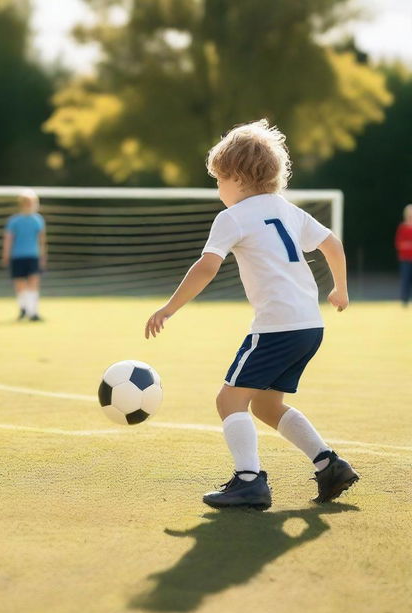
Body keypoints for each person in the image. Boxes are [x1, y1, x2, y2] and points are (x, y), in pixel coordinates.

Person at [144, 119, 358, 510]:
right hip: (309, 326)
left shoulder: (233, 217)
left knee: (229, 401)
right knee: (266, 405)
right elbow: (333, 245)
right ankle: (330, 465)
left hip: (276, 327)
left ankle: (249, 482)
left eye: (219, 179)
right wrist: (340, 288)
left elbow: (206, 267)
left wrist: (169, 308)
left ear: (237, 177)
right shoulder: (288, 211)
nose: (219, 189)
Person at [2, 189, 47, 321]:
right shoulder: (14, 221)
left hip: (33, 256)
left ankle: (33, 312)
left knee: (33, 283)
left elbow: (42, 240)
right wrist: (6, 254)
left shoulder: (38, 220)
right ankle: (23, 309)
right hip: (17, 256)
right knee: (20, 284)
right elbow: (8, 239)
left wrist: (43, 256)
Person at [395, 204, 412, 306]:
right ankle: (405, 300)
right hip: (405, 259)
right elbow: (399, 243)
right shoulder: (402, 227)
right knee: (405, 280)